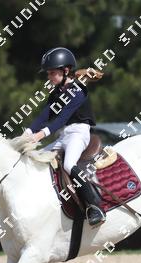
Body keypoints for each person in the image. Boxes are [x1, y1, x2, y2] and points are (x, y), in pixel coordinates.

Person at [24, 47, 106, 226]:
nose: (49, 77)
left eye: (52, 73)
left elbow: (62, 119)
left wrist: (40, 135)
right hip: (64, 135)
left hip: (79, 133)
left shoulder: (78, 90)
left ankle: (95, 207)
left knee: (69, 164)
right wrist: (27, 133)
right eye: (48, 73)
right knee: (37, 159)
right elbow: (45, 116)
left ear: (66, 70)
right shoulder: (56, 93)